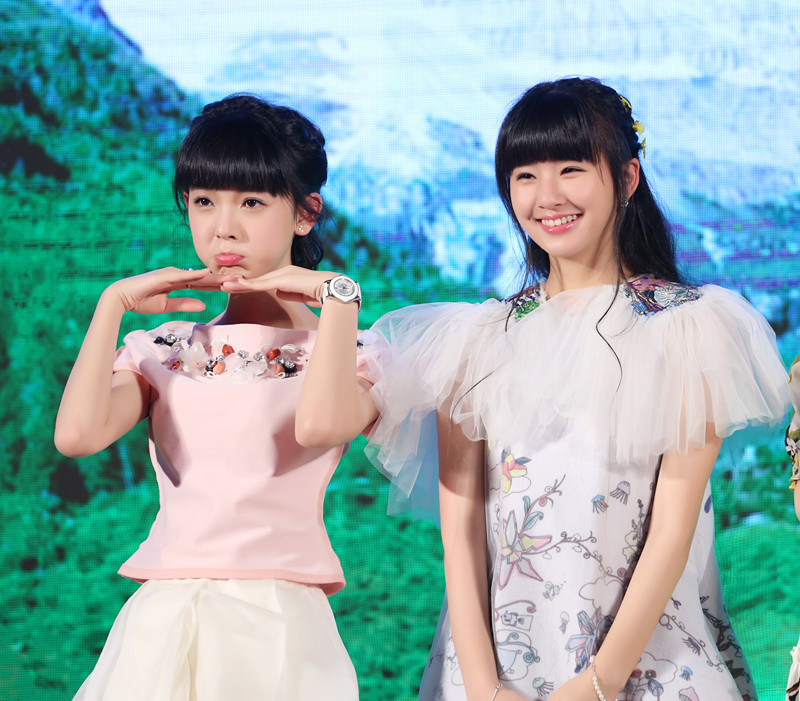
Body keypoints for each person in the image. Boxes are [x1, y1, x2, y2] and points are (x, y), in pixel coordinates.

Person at [283, 77, 790, 700]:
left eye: (571, 169)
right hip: (492, 672)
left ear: (627, 177)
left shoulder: (688, 328)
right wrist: (485, 687)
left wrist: (598, 684)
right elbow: (460, 533)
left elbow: (672, 530)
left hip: (647, 667)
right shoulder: (474, 341)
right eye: (525, 176)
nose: (547, 196)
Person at [55, 94, 360, 700]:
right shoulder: (166, 348)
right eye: (203, 202)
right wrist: (111, 305)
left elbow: (320, 426)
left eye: (252, 202)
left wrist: (340, 300)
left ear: (305, 213)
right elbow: (77, 436)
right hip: (164, 620)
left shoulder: (355, 352)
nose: (224, 227)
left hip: (278, 623)